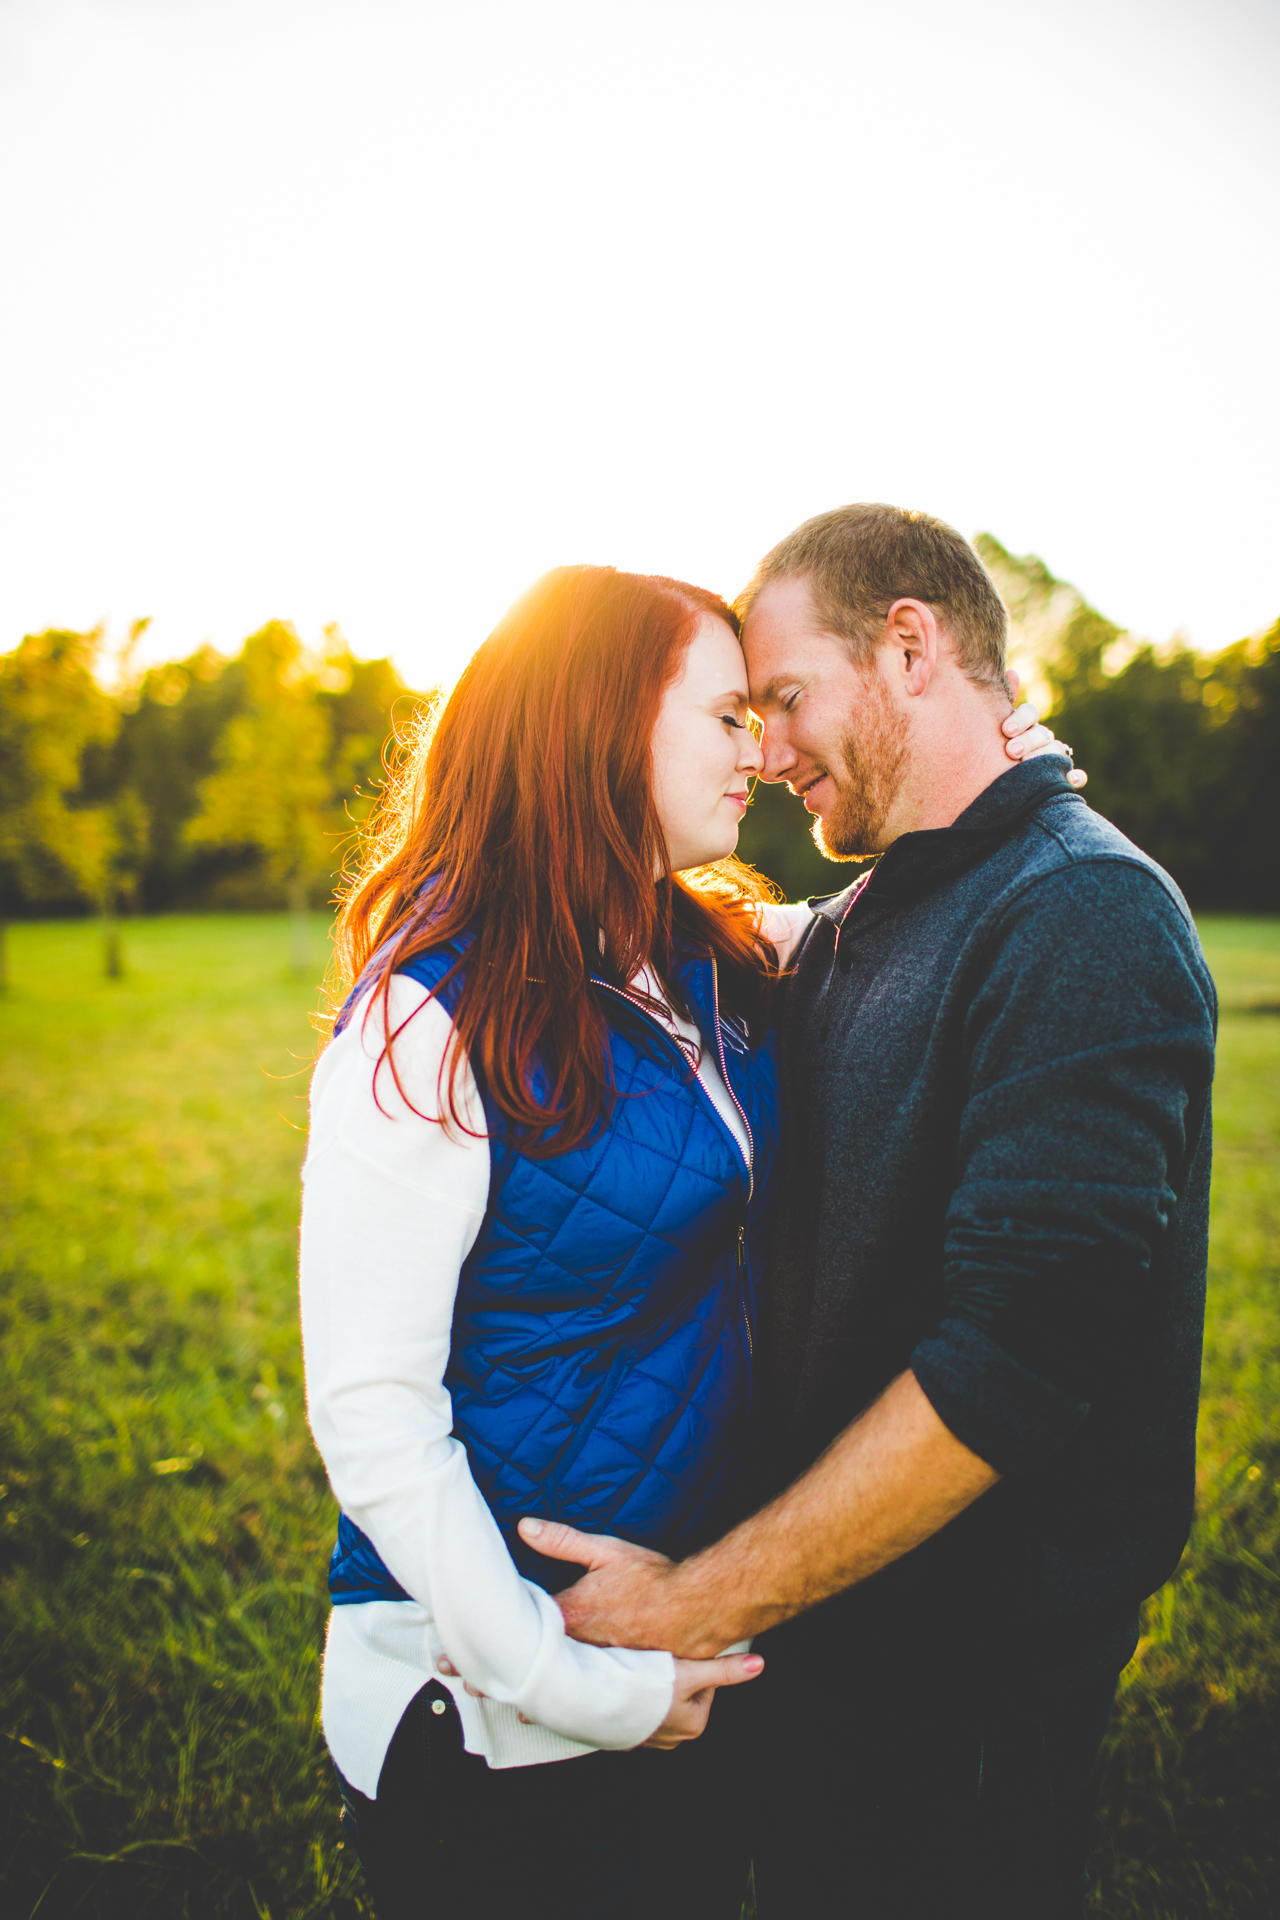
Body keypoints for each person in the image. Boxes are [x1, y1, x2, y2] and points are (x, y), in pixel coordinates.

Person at [299, 558, 1058, 1919]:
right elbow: (371, 1414)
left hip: (692, 1660)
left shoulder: (703, 954)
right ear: (595, 726)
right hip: (491, 1704)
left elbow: (911, 915)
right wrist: (565, 1677)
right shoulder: (424, 1015)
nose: (765, 755)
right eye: (725, 719)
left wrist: (1016, 758)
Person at [522, 506, 1218, 1919]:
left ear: (911, 645)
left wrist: (698, 1604)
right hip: (835, 1638)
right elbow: (741, 940)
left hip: (969, 1670)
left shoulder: (1083, 916)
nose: (767, 754)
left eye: (783, 700)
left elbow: (1012, 1370)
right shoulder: (881, 909)